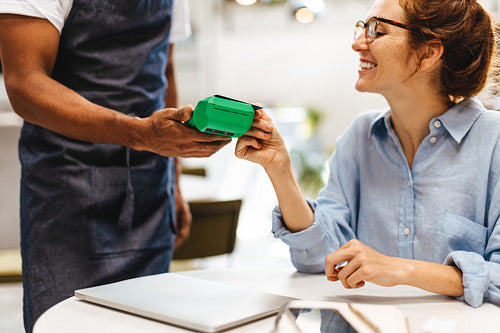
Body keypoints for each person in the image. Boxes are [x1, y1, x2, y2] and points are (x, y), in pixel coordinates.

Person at [237, 0, 500, 308]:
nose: (357, 43)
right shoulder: (360, 138)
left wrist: (402, 270)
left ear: (429, 52)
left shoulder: (492, 141)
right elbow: (319, 258)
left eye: (377, 30)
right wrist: (279, 169)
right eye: (362, 28)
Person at [0, 1, 231, 332]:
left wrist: (174, 183)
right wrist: (138, 132)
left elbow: (164, 70)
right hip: (67, 190)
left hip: (149, 188)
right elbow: (25, 83)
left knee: (149, 323)